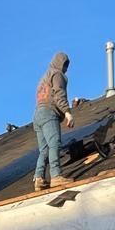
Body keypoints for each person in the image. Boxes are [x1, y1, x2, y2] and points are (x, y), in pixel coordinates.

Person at [33, 51, 74, 191]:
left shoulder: (44, 77)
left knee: (44, 149)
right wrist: (67, 112)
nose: (66, 69)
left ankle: (39, 178)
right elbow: (59, 93)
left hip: (37, 115)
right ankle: (56, 176)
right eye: (65, 65)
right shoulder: (57, 74)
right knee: (54, 142)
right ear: (60, 63)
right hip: (49, 112)